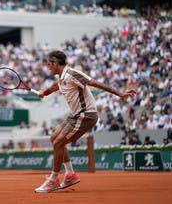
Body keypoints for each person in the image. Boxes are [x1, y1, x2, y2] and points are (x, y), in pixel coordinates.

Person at [34, 50, 137, 193]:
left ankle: (53, 180)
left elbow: (96, 83)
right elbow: (56, 86)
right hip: (76, 115)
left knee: (59, 143)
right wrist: (44, 93)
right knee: (54, 138)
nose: (48, 67)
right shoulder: (62, 78)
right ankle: (70, 175)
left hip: (86, 115)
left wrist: (119, 94)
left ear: (56, 63)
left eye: (49, 64)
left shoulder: (72, 74)